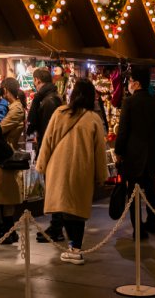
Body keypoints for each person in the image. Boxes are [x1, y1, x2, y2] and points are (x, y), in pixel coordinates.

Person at [36, 79, 108, 263]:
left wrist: (41, 165)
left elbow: (48, 140)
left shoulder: (60, 113)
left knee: (64, 207)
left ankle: (73, 249)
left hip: (58, 168)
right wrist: (101, 175)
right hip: (81, 169)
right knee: (77, 209)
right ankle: (75, 247)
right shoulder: (94, 119)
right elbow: (99, 150)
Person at [115, 67, 155, 239]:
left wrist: (119, 152)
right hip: (151, 153)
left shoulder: (129, 102)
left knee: (133, 191)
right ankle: (151, 222)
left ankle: (138, 229)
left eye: (130, 82)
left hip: (133, 154)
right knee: (151, 187)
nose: (128, 85)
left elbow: (123, 131)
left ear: (136, 83)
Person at [25, 67, 64, 242]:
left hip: (53, 152)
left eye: (34, 82)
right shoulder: (53, 98)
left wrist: (44, 152)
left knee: (53, 188)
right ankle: (56, 226)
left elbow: (49, 131)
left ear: (38, 81)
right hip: (54, 150)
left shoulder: (48, 101)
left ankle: (56, 227)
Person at [0, 78, 25, 245]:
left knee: (5, 196)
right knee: (3, 196)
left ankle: (8, 232)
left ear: (5, 90)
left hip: (6, 155)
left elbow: (1, 127)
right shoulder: (12, 107)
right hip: (2, 154)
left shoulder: (16, 109)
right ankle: (7, 231)